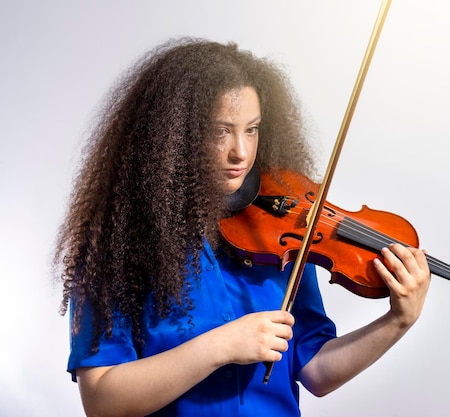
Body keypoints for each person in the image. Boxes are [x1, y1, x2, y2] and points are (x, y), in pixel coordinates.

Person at [53, 37, 430, 417]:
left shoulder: (282, 234)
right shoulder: (120, 245)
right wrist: (220, 347)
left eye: (252, 129)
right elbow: (102, 402)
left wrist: (397, 321)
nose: (241, 153)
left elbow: (315, 369)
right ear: (174, 136)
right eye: (221, 131)